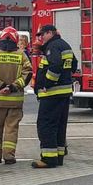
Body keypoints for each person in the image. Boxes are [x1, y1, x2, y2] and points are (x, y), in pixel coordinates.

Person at [0, 27, 31, 165]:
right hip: (15, 101)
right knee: (11, 129)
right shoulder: (21, 55)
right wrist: (13, 87)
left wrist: (0, 85)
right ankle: (9, 156)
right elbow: (28, 74)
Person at [32, 24, 75, 169]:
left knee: (46, 125)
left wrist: (47, 83)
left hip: (52, 93)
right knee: (59, 125)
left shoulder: (53, 46)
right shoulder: (64, 45)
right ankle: (58, 156)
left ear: (50, 33)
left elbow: (55, 66)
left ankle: (48, 159)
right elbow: (73, 65)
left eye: (42, 34)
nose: (40, 38)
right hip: (64, 93)